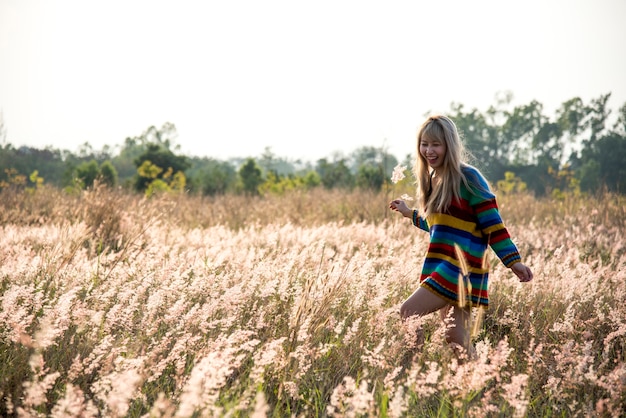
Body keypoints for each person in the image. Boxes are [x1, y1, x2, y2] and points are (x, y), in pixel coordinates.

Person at [389, 114, 533, 359]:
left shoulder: (468, 177)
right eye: (424, 144)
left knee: (408, 312)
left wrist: (513, 261)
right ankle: (475, 389)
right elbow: (440, 225)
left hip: (460, 268)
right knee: (456, 338)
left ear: (449, 145)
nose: (429, 150)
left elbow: (492, 223)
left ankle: (411, 370)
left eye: (436, 144)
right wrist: (409, 214)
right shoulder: (435, 180)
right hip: (447, 265)